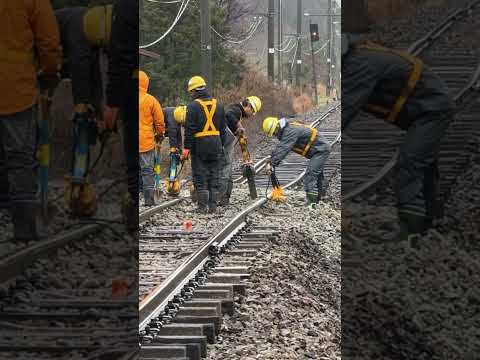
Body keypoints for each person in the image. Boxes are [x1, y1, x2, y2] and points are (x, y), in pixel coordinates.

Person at [341, 32, 455, 240]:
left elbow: (344, 110)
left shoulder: (359, 66)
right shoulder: (357, 59)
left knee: (411, 161)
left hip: (431, 109)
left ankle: (411, 228)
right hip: (424, 107)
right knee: (422, 163)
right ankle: (427, 221)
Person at [0, 0, 62, 241]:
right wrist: (49, 73)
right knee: (19, 159)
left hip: (15, 88)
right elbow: (48, 40)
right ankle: (23, 229)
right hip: (14, 90)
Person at [101, 0, 139, 231]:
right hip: (135, 83)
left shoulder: (125, 7)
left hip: (129, 88)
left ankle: (135, 205)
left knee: (132, 149)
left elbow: (120, 54)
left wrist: (113, 101)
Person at [262, 116, 331, 207]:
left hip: (320, 150)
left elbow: (284, 148)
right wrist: (271, 159)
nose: (275, 135)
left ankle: (312, 203)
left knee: (311, 174)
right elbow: (281, 146)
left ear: (277, 128)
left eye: (274, 133)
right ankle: (319, 198)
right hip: (318, 150)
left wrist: (272, 163)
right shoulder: (287, 129)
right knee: (317, 175)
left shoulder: (289, 131)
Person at [183, 76, 226, 213]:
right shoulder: (219, 105)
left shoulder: (192, 107)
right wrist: (221, 145)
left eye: (191, 91)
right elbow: (223, 130)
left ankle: (202, 207)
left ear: (195, 90)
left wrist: (186, 148)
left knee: (200, 175)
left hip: (199, 146)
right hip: (216, 145)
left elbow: (189, 130)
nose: (191, 94)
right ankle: (213, 207)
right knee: (214, 176)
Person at [219, 96, 262, 205]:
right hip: (223, 144)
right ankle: (220, 196)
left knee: (227, 169)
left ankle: (225, 198)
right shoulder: (236, 109)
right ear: (249, 106)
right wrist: (239, 126)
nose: (252, 114)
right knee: (225, 167)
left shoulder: (237, 110)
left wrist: (237, 131)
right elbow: (228, 115)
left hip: (225, 142)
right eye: (253, 111)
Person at [138, 70, 165, 206]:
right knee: (147, 170)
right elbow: (159, 122)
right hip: (145, 141)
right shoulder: (150, 100)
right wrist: (160, 135)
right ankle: (148, 200)